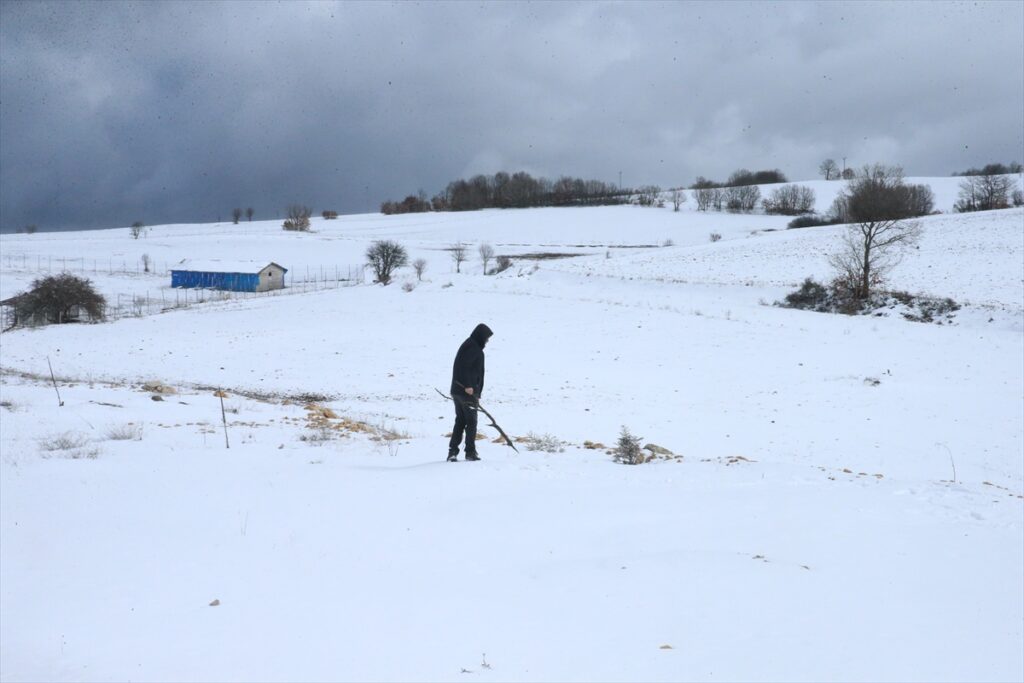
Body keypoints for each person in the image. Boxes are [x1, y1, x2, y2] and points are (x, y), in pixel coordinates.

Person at [448, 323, 493, 462]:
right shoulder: (472, 347)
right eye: (486, 338)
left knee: (461, 421)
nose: (487, 341)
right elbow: (465, 367)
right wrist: (469, 386)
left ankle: (453, 452)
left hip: (460, 391)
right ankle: (470, 452)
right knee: (471, 422)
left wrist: (477, 393)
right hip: (465, 392)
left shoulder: (470, 345)